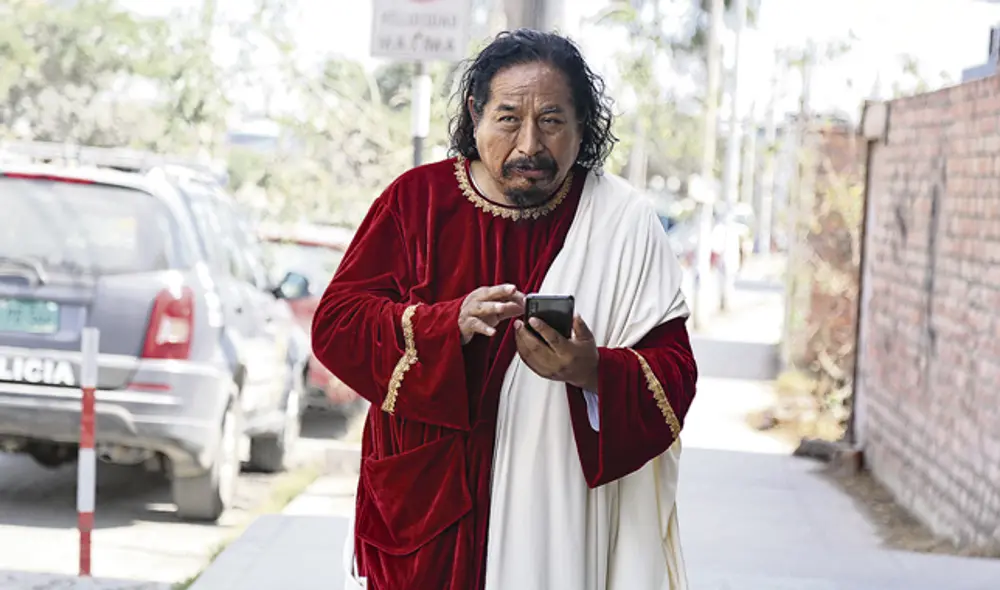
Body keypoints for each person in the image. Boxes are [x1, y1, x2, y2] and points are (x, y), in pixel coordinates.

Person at [312, 29, 698, 590]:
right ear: (475, 114)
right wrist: (444, 325)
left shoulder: (623, 222)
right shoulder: (415, 201)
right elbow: (337, 325)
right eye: (509, 118)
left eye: (552, 120)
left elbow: (676, 374)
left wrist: (592, 371)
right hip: (426, 511)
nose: (529, 147)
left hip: (559, 511)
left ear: (582, 124)